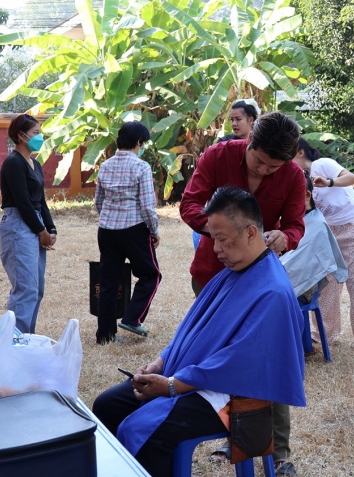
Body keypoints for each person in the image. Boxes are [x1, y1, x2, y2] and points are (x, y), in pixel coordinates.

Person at [92, 186, 306, 476]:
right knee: (106, 406)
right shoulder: (232, 272)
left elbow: (240, 365)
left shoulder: (273, 292)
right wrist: (161, 362)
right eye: (212, 238)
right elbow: (191, 331)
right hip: (191, 375)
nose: (215, 249)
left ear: (250, 233)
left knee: (143, 429)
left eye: (222, 239)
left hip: (229, 396)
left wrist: (171, 385)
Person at [180, 112, 305, 295]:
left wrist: (284, 238)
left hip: (259, 274)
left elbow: (295, 226)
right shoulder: (217, 156)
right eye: (259, 160)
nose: (263, 170)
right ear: (250, 138)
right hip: (211, 269)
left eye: (273, 167)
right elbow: (189, 204)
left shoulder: (294, 177)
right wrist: (219, 230)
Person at [294, 139, 354, 355]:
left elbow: (352, 178)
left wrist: (329, 182)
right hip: (328, 231)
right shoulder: (297, 179)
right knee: (326, 285)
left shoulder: (322, 164)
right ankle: (323, 333)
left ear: (299, 152)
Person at [94, 121, 161, 344]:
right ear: (138, 142)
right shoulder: (141, 167)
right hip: (133, 229)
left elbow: (98, 201)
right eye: (143, 143)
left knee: (108, 281)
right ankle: (132, 318)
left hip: (107, 230)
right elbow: (147, 206)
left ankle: (105, 335)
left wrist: (108, 217)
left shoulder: (105, 166)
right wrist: (154, 230)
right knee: (151, 275)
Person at [0, 114, 56, 334]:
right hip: (18, 225)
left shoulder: (35, 164)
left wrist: (51, 228)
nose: (40, 138)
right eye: (36, 133)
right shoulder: (13, 163)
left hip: (35, 223)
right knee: (25, 288)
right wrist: (41, 231)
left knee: (36, 289)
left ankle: (27, 338)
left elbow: (40, 201)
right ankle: (15, 342)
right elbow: (22, 202)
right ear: (22, 136)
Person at [280, 171, 348, 307]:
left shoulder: (317, 225)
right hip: (281, 285)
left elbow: (297, 267)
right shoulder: (290, 220)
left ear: (306, 195)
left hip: (300, 291)